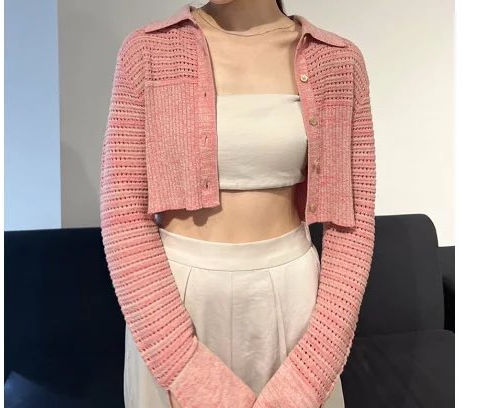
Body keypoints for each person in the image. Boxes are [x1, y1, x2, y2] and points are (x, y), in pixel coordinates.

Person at [99, 1, 376, 407]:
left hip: (295, 302)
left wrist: (309, 375)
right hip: (175, 307)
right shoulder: (148, 51)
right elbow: (124, 219)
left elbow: (352, 225)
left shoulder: (337, 61)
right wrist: (187, 372)